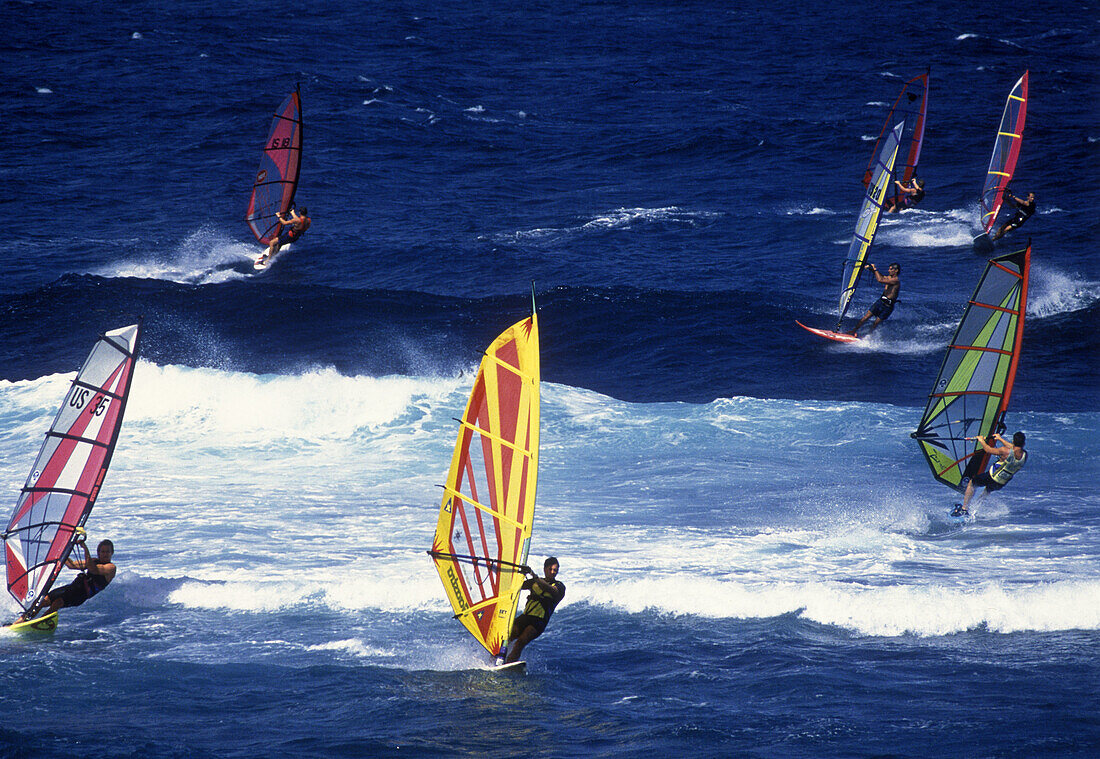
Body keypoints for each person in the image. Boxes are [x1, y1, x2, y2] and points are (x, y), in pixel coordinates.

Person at [14, 537, 116, 623]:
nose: (105, 554)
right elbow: (71, 565)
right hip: (71, 588)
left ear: (112, 553)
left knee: (58, 603)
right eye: (102, 551)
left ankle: (37, 623)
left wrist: (85, 548)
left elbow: (93, 569)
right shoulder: (93, 561)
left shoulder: (111, 568)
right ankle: (18, 623)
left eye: (108, 552)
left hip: (81, 595)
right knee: (42, 601)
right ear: (98, 552)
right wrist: (58, 548)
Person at [503, 556, 565, 664]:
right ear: (544, 569)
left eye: (555, 570)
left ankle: (508, 663)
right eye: (550, 569)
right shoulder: (534, 582)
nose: (553, 572)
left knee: (521, 642)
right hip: (526, 617)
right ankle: (494, 658)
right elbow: (517, 585)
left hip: (539, 622)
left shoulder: (559, 587)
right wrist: (519, 574)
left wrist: (533, 575)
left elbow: (550, 590)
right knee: (507, 636)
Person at [954, 431, 1028, 516]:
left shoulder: (1005, 451)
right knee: (986, 491)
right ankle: (975, 509)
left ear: (1013, 441)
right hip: (1002, 482)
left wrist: (981, 440)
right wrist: (999, 438)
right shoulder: (1025, 455)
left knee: (972, 482)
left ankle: (964, 509)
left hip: (991, 477)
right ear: (1024, 443)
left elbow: (988, 450)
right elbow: (1015, 448)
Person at [848, 262, 901, 337]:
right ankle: (853, 330)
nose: (889, 270)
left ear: (896, 270)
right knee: (866, 317)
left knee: (876, 323)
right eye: (889, 269)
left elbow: (880, 280)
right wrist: (872, 269)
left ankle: (868, 336)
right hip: (880, 302)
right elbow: (881, 276)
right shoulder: (889, 278)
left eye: (891, 269)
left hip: (888, 306)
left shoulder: (896, 281)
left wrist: (875, 269)